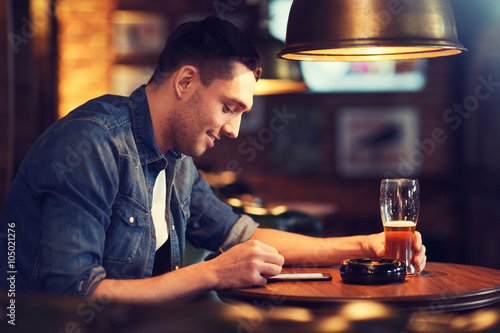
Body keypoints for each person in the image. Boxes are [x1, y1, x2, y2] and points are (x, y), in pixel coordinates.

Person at [0, 16, 426, 303]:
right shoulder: (92, 145)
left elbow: (240, 235)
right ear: (186, 81)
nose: (234, 131)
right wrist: (213, 273)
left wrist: (365, 245)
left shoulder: (175, 157)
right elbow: (70, 294)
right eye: (229, 107)